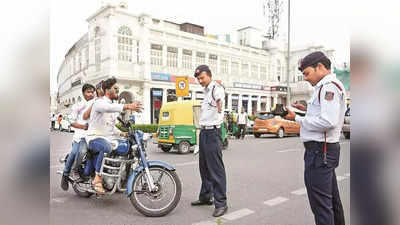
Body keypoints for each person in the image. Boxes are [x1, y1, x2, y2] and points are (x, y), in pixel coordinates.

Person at [284, 51, 346, 225]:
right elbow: (321, 114)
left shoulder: (328, 86)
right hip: (323, 151)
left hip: (320, 152)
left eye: (307, 73)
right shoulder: (325, 86)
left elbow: (328, 121)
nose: (305, 78)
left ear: (320, 67)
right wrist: (302, 110)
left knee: (321, 206)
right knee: (331, 202)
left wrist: (297, 119)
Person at [85, 77, 143, 194]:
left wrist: (123, 133)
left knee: (124, 147)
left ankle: (119, 178)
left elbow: (111, 126)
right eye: (115, 88)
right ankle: (97, 179)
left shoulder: (112, 105)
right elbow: (108, 108)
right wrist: (128, 106)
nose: (117, 90)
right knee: (106, 147)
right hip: (94, 138)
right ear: (107, 90)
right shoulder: (99, 103)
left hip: (108, 138)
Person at [190, 65, 228, 217]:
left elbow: (219, 100)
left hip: (213, 132)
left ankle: (221, 203)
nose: (200, 81)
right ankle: (206, 196)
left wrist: (219, 106)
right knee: (204, 167)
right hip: (204, 132)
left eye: (202, 78)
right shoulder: (206, 91)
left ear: (209, 76)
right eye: (198, 79)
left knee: (216, 169)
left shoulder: (216, 88)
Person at [60, 84, 96, 191]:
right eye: (88, 92)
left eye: (92, 92)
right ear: (83, 93)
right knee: (77, 152)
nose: (91, 94)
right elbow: (70, 121)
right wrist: (82, 126)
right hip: (80, 136)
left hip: (93, 136)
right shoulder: (78, 106)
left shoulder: (96, 103)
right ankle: (66, 174)